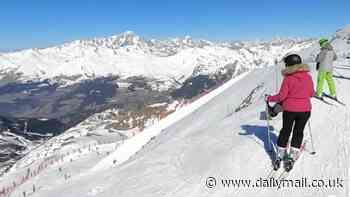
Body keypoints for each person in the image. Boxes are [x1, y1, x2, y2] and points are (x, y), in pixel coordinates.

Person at [266, 54, 315, 171]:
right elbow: (312, 93)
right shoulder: (308, 77)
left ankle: (280, 155)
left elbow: (281, 96)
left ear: (288, 65)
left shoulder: (288, 78)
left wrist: (269, 98)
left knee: (285, 131)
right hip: (305, 110)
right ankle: (292, 155)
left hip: (290, 110)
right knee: (298, 132)